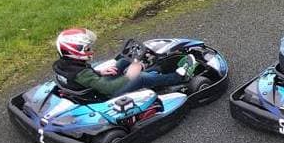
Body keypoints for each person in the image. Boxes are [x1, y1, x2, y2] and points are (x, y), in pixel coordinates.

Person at [52, 27, 195, 99]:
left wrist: (99, 72)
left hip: (90, 89)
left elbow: (82, 78)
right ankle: (178, 77)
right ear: (75, 51)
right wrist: (130, 76)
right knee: (141, 77)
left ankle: (144, 65)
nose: (90, 50)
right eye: (87, 48)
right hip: (105, 96)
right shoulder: (81, 73)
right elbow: (109, 89)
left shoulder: (65, 64)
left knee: (121, 63)